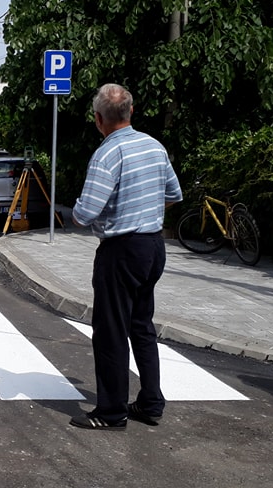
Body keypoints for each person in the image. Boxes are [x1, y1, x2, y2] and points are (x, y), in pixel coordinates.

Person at [69, 83, 183, 431]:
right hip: (152, 246)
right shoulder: (154, 146)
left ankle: (111, 411)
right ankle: (150, 403)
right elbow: (173, 194)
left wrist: (103, 215)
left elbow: (85, 212)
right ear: (131, 112)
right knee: (141, 326)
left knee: (111, 331)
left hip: (120, 250)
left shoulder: (107, 154)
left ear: (98, 119)